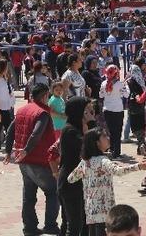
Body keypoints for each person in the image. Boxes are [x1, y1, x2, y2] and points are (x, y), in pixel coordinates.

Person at [3, 82, 61, 236]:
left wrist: (9, 151)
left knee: (28, 195)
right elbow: (37, 133)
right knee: (52, 192)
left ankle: (29, 227)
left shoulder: (22, 110)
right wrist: (27, 150)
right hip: (40, 160)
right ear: (44, 96)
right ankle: (50, 225)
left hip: (23, 161)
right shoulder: (42, 112)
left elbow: (10, 131)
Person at [67, 128, 146, 236]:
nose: (108, 138)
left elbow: (71, 178)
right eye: (104, 136)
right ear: (97, 143)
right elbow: (118, 171)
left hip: (91, 213)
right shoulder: (103, 161)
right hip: (105, 213)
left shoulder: (85, 162)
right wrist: (138, 166)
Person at [56, 96, 95, 236]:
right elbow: (90, 148)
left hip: (79, 181)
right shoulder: (70, 130)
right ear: (78, 112)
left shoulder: (77, 128)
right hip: (70, 182)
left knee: (82, 223)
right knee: (73, 225)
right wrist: (91, 124)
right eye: (86, 110)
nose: (90, 113)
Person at [100, 65, 128, 159]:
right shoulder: (120, 84)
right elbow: (127, 95)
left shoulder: (103, 83)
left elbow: (101, 95)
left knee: (111, 131)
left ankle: (111, 150)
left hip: (107, 110)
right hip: (118, 110)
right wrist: (126, 85)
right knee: (117, 131)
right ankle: (117, 152)